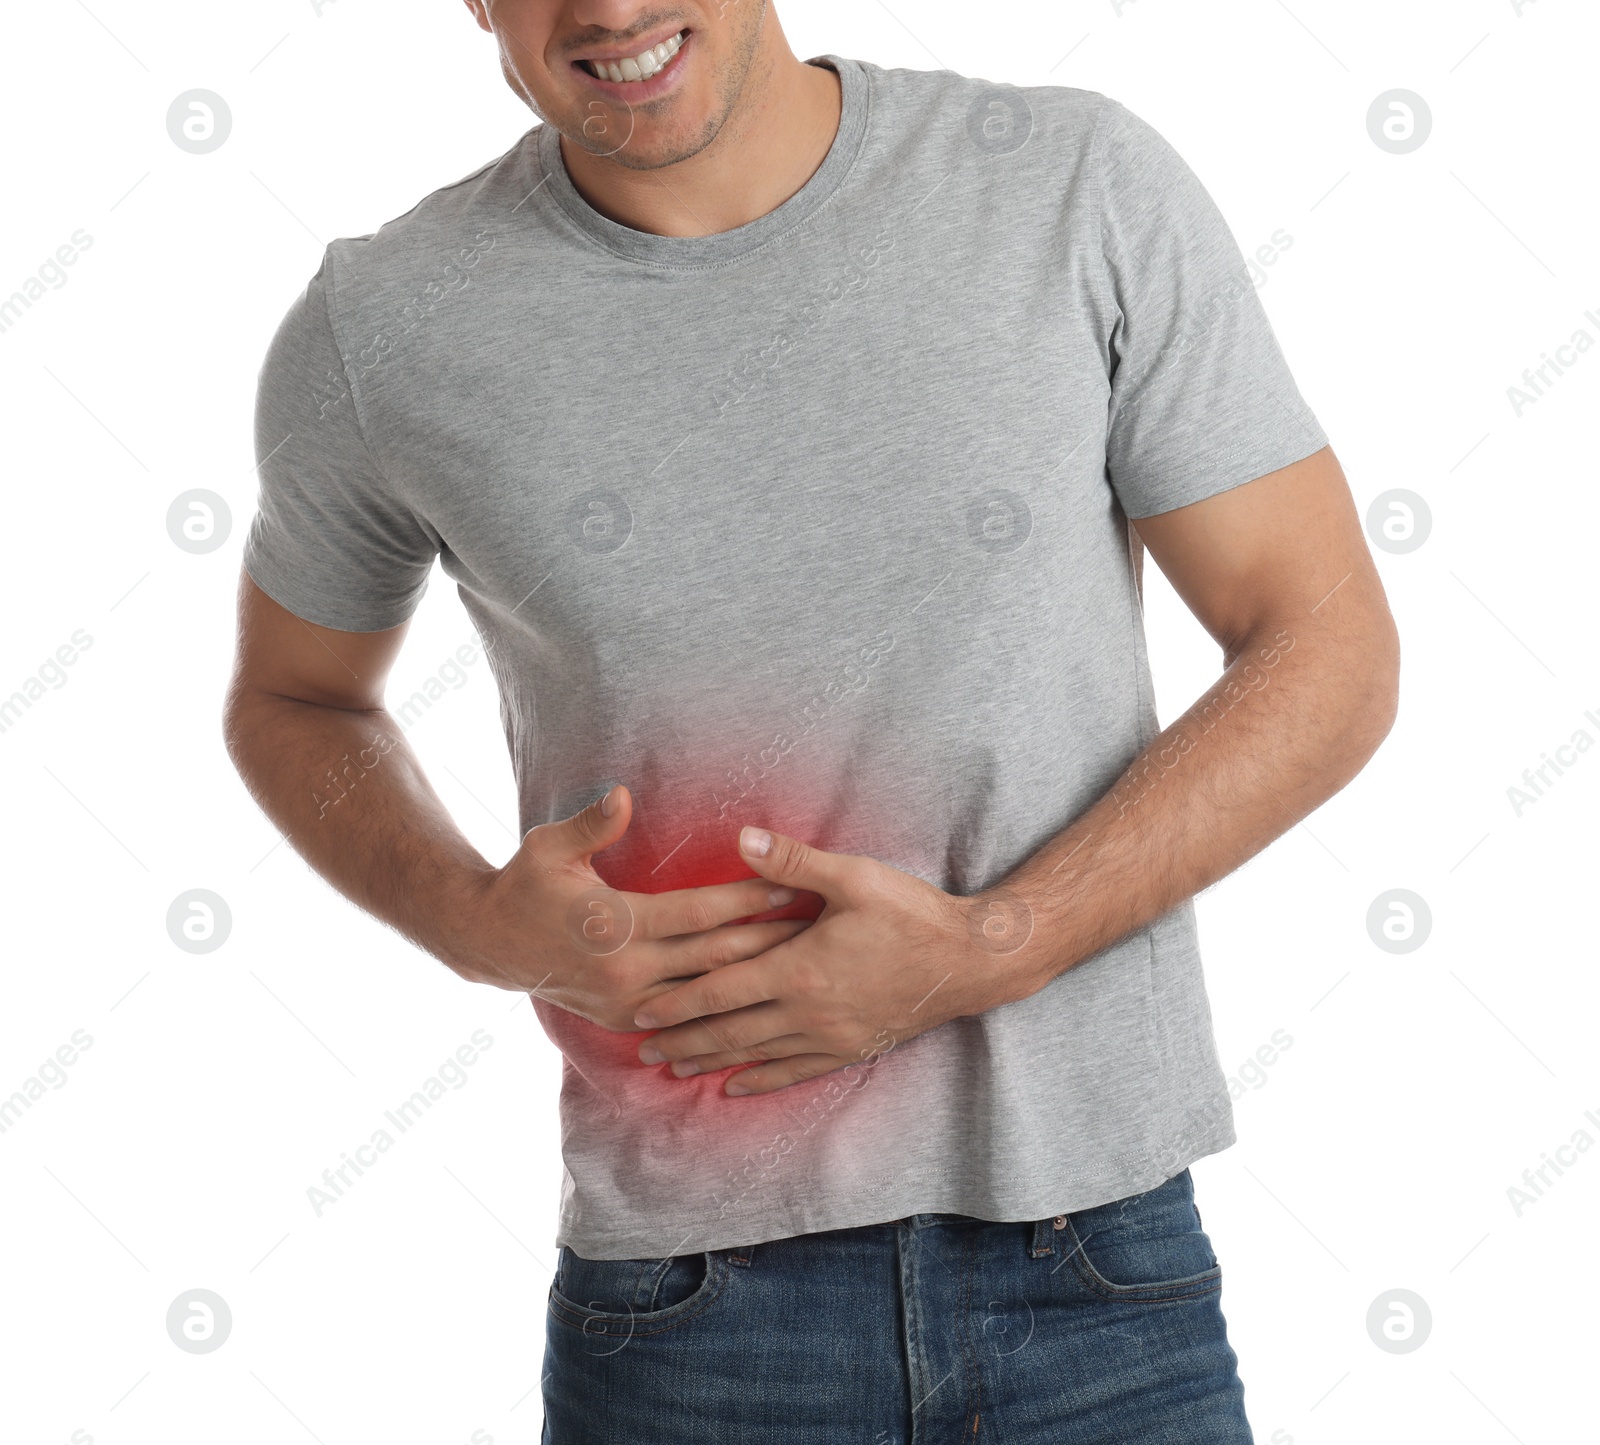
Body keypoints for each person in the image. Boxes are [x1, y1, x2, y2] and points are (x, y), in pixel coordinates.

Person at [223, 2, 1400, 1440]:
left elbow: (1326, 646)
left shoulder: (1073, 186)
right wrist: (470, 916)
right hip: (690, 1315)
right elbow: (297, 697)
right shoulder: (382, 327)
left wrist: (990, 946)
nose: (605, 8)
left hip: (1094, 1267)